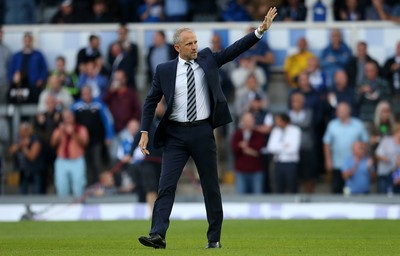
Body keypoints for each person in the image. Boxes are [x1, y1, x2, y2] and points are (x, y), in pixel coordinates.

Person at [137, 7, 277, 249]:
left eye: (196, 42)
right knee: (166, 186)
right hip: (175, 135)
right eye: (189, 43)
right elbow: (150, 101)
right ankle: (158, 235)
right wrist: (144, 132)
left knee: (211, 187)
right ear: (177, 48)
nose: (194, 46)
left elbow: (234, 50)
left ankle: (214, 239)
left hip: (203, 132)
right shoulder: (164, 70)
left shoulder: (207, 58)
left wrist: (259, 31)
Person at [72, 86, 114, 185]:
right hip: (81, 141)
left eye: (88, 93)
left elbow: (108, 120)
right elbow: (70, 120)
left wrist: (109, 136)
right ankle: (87, 185)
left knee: (97, 163)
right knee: (85, 164)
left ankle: (97, 185)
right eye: (84, 93)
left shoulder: (99, 105)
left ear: (91, 93)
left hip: (97, 140)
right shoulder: (76, 106)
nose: (86, 95)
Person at [323, 102, 369, 194]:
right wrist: (328, 160)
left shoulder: (358, 124)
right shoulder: (332, 125)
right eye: (338, 110)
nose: (339, 112)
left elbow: (365, 141)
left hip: (354, 164)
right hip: (337, 163)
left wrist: (362, 156)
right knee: (337, 190)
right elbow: (326, 143)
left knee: (355, 190)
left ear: (349, 112)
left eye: (342, 110)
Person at [51, 110, 89, 197]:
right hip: (62, 161)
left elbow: (85, 143)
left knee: (79, 188)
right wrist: (60, 132)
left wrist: (73, 134)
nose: (68, 118)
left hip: (77, 161)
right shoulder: (59, 129)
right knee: (61, 187)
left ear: (73, 117)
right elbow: (53, 144)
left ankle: (79, 207)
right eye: (66, 116)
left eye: (70, 116)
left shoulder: (81, 128)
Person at [266, 113, 301, 194]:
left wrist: (278, 146)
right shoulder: (275, 130)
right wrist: (284, 146)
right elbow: (270, 148)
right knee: (278, 187)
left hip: (290, 163)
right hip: (278, 162)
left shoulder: (295, 130)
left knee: (292, 187)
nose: (277, 123)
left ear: (284, 121)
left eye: (279, 121)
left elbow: (293, 149)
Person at [8, 32, 48, 103]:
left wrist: (41, 79)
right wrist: (12, 80)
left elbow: (44, 68)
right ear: (23, 41)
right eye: (25, 41)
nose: (27, 43)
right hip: (20, 86)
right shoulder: (17, 55)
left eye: (29, 41)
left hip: (34, 85)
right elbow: (11, 69)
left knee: (34, 102)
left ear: (31, 41)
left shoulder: (38, 55)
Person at [231, 112, 265, 194]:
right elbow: (235, 149)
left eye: (250, 120)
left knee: (257, 197)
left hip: (256, 171)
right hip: (241, 171)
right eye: (246, 120)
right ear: (242, 121)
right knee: (241, 198)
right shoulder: (237, 134)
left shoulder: (258, 134)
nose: (248, 122)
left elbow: (259, 148)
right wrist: (251, 151)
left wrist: (245, 146)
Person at [9, 122, 44, 194]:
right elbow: (11, 151)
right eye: (21, 130)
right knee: (23, 193)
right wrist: (20, 145)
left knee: (37, 193)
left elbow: (32, 156)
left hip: (35, 171)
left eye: (25, 130)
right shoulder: (18, 139)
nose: (23, 132)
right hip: (23, 171)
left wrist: (24, 148)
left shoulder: (35, 139)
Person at [375, 125, 400, 194]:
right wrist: (387, 159)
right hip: (385, 173)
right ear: (397, 131)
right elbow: (377, 154)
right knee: (383, 195)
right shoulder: (387, 140)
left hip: (397, 174)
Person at [0, 26, 11, 104]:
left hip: (4, 83)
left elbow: (10, 67)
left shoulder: (7, 50)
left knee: (3, 103)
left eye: (1, 34)